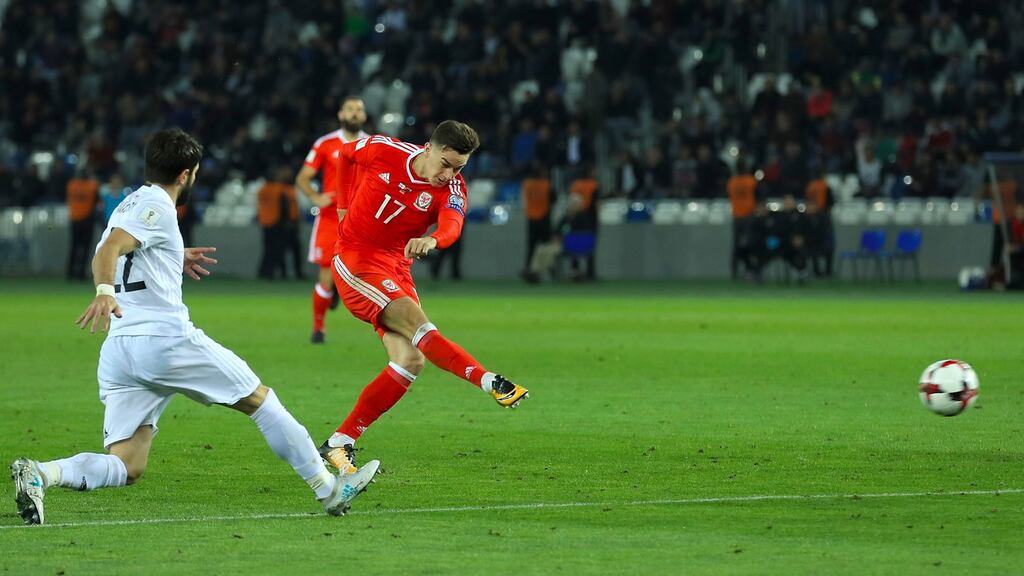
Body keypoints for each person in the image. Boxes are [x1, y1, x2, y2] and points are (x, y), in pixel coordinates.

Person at [10, 129, 377, 526]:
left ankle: (42, 473)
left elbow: (126, 248)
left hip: (121, 350)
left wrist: (171, 254)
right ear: (185, 175)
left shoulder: (131, 202)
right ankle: (329, 489)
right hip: (164, 341)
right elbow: (110, 248)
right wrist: (103, 291)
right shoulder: (157, 204)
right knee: (261, 401)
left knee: (128, 464)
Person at [318, 120, 530, 474]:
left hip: (396, 267)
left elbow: (452, 225)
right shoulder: (386, 150)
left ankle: (340, 442)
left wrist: (433, 239)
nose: (449, 175)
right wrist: (343, 206)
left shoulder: (453, 188)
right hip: (357, 261)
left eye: (458, 168)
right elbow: (345, 155)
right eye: (445, 164)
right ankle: (490, 380)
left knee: (410, 360)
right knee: (422, 329)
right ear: (429, 149)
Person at [295, 96, 369, 344]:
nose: (354, 113)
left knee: (366, 273)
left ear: (364, 116)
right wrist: (316, 197)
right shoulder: (325, 144)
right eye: (350, 109)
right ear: (341, 115)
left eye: (359, 110)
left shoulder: (372, 145)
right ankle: (318, 329)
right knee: (325, 276)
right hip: (330, 219)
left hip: (361, 219)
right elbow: (303, 177)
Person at [66, 169, 100, 280]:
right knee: (85, 248)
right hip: (87, 219)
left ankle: (70, 272)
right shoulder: (92, 186)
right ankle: (81, 273)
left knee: (74, 247)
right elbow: (97, 200)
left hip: (74, 218)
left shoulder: (72, 185)